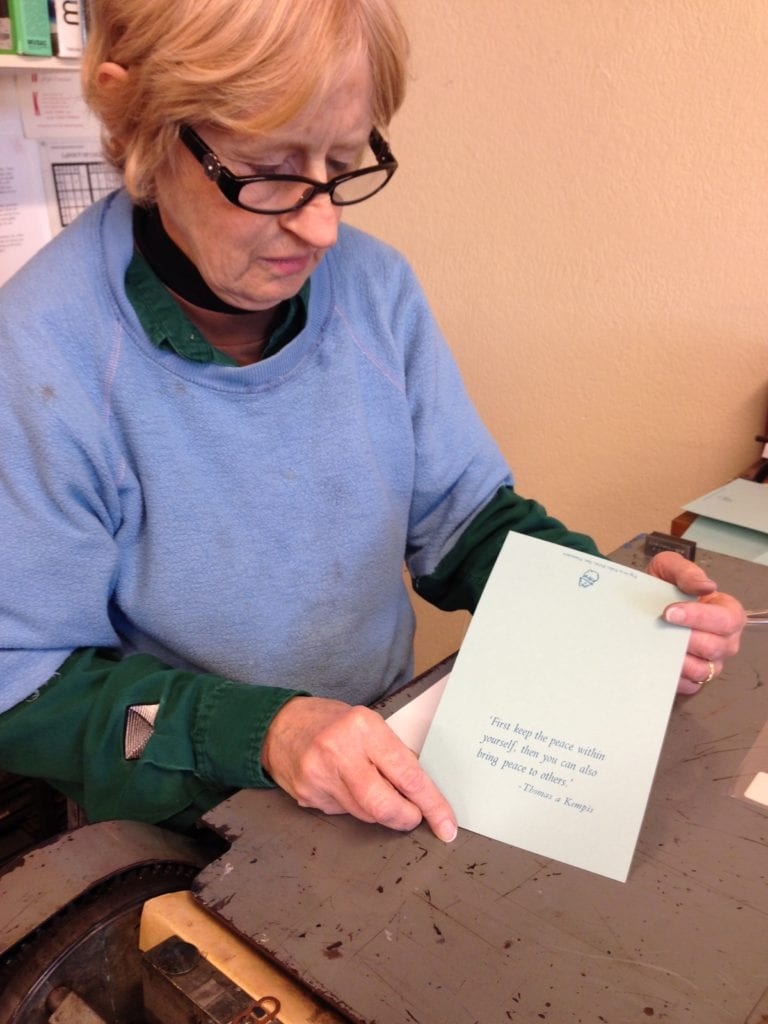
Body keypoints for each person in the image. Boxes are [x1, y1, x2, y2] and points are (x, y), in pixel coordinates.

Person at [0, 0, 746, 845]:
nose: (322, 226)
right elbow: (23, 684)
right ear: (140, 120)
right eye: (270, 171)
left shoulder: (375, 290)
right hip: (179, 816)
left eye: (342, 166)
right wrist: (265, 734)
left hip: (383, 759)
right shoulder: (36, 357)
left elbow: (464, 526)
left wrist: (611, 613)